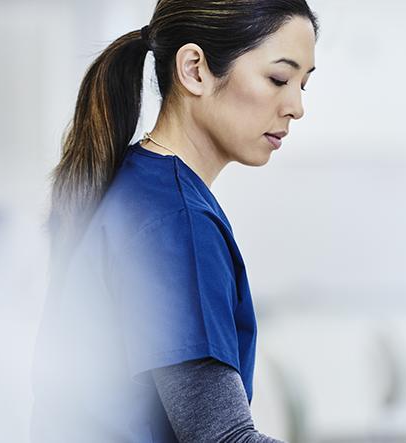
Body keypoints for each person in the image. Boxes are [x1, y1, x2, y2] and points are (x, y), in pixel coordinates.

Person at [30, 1, 318, 442]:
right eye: (279, 78)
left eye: (303, 84)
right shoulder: (177, 222)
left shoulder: (131, 184)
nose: (296, 107)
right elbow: (222, 437)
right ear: (194, 70)